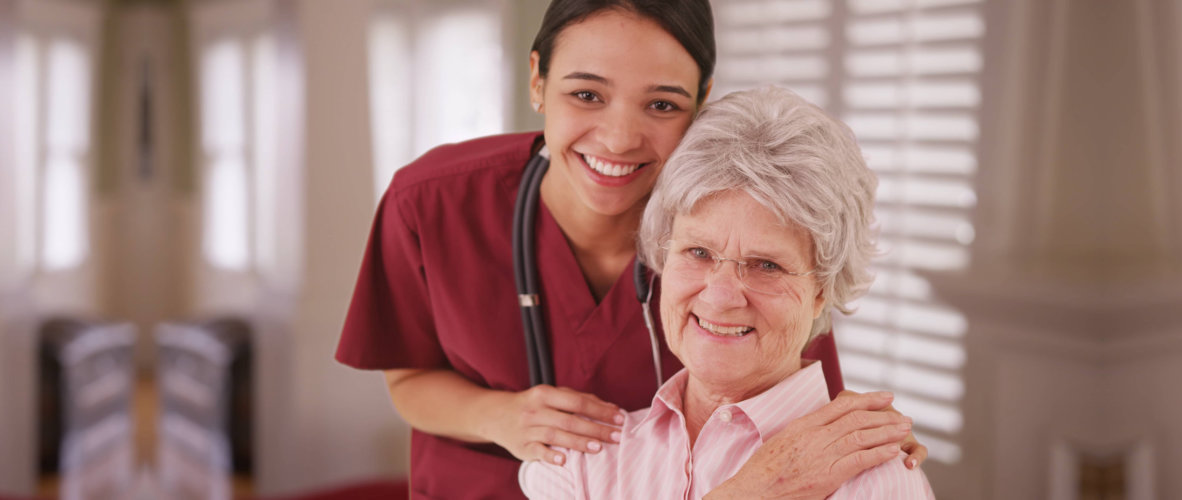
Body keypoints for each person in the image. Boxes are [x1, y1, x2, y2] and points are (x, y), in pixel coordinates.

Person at [334, 1, 925, 498]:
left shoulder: (742, 224)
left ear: (701, 100)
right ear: (537, 79)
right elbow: (409, 375)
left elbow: (798, 408)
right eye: (587, 94)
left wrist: (868, 451)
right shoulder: (432, 201)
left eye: (662, 104)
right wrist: (500, 416)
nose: (618, 137)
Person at [517, 85, 933, 499]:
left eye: (766, 265)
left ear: (822, 288)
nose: (720, 296)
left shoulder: (878, 482)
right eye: (698, 252)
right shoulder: (579, 463)